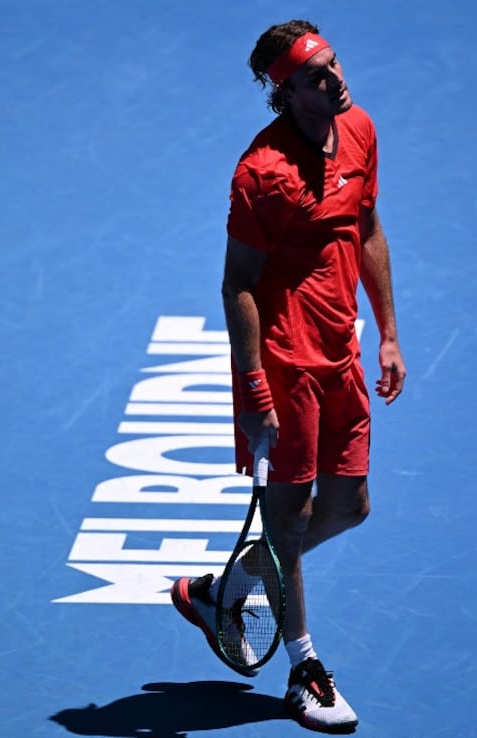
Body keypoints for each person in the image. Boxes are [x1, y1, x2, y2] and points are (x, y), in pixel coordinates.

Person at [170, 19, 406, 733]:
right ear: (286, 91)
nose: (335, 79)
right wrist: (252, 385)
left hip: (343, 353)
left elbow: (366, 229)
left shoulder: (359, 128)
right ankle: (303, 669)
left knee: (351, 506)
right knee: (291, 517)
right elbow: (236, 283)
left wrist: (388, 331)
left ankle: (227, 589)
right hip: (284, 364)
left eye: (334, 64)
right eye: (316, 75)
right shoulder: (260, 174)